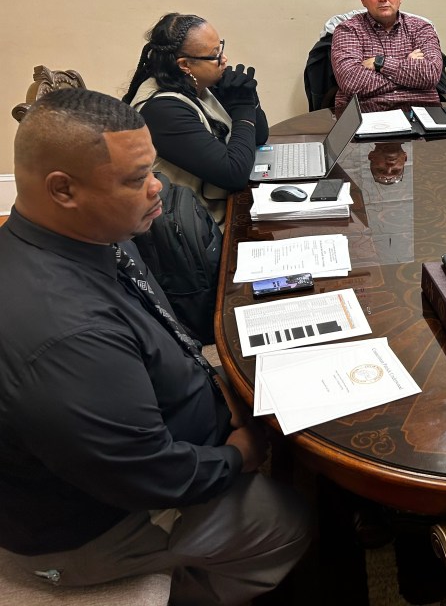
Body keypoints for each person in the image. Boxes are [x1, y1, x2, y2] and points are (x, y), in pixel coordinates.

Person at [0, 89, 309, 604]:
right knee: (289, 521)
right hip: (96, 525)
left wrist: (213, 384)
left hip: (144, 447)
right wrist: (239, 455)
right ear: (63, 190)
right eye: (134, 178)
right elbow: (145, 475)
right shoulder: (67, 337)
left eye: (152, 168)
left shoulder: (95, 232)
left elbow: (159, 329)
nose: (158, 186)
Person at [123, 12, 269, 226]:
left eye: (221, 48)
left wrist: (249, 99)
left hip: (227, 206)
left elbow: (259, 137)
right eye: (215, 54)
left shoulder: (197, 84)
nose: (224, 59)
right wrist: (243, 111)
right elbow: (233, 174)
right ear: (185, 65)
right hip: (204, 228)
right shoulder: (162, 110)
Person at [331, 0, 444, 113]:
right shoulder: (348, 30)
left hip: (422, 115)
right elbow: (351, 82)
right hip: (368, 116)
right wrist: (408, 69)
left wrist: (380, 63)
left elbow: (431, 74)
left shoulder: (421, 28)